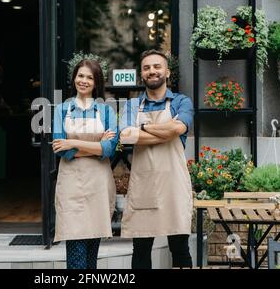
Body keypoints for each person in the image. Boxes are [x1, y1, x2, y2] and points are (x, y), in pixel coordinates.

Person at [119, 49, 194, 269]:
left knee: (180, 248)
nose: (152, 71)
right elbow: (126, 135)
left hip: (174, 185)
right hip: (144, 185)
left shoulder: (182, 101)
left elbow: (179, 127)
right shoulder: (132, 105)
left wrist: (142, 127)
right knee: (141, 250)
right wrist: (166, 131)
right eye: (146, 68)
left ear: (167, 72)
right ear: (142, 74)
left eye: (157, 66)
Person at [52, 58, 118, 269]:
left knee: (92, 247)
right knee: (75, 243)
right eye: (80, 75)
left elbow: (110, 149)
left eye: (90, 77)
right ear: (74, 79)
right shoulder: (61, 109)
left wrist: (72, 141)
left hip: (98, 183)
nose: (84, 81)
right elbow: (63, 151)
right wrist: (96, 146)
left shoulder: (107, 111)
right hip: (71, 182)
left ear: (96, 83)